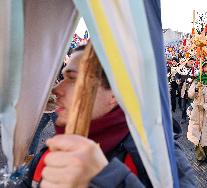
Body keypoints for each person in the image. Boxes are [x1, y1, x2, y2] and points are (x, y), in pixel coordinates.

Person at [19, 45, 196, 188]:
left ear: (115, 93)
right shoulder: (54, 150)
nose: (57, 90)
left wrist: (105, 177)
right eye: (62, 77)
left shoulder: (160, 158)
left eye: (73, 78)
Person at [187, 61, 207, 165]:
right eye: (204, 67)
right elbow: (190, 95)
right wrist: (196, 88)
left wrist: (205, 107)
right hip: (197, 112)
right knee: (196, 134)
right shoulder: (197, 80)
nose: (206, 69)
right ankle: (200, 157)